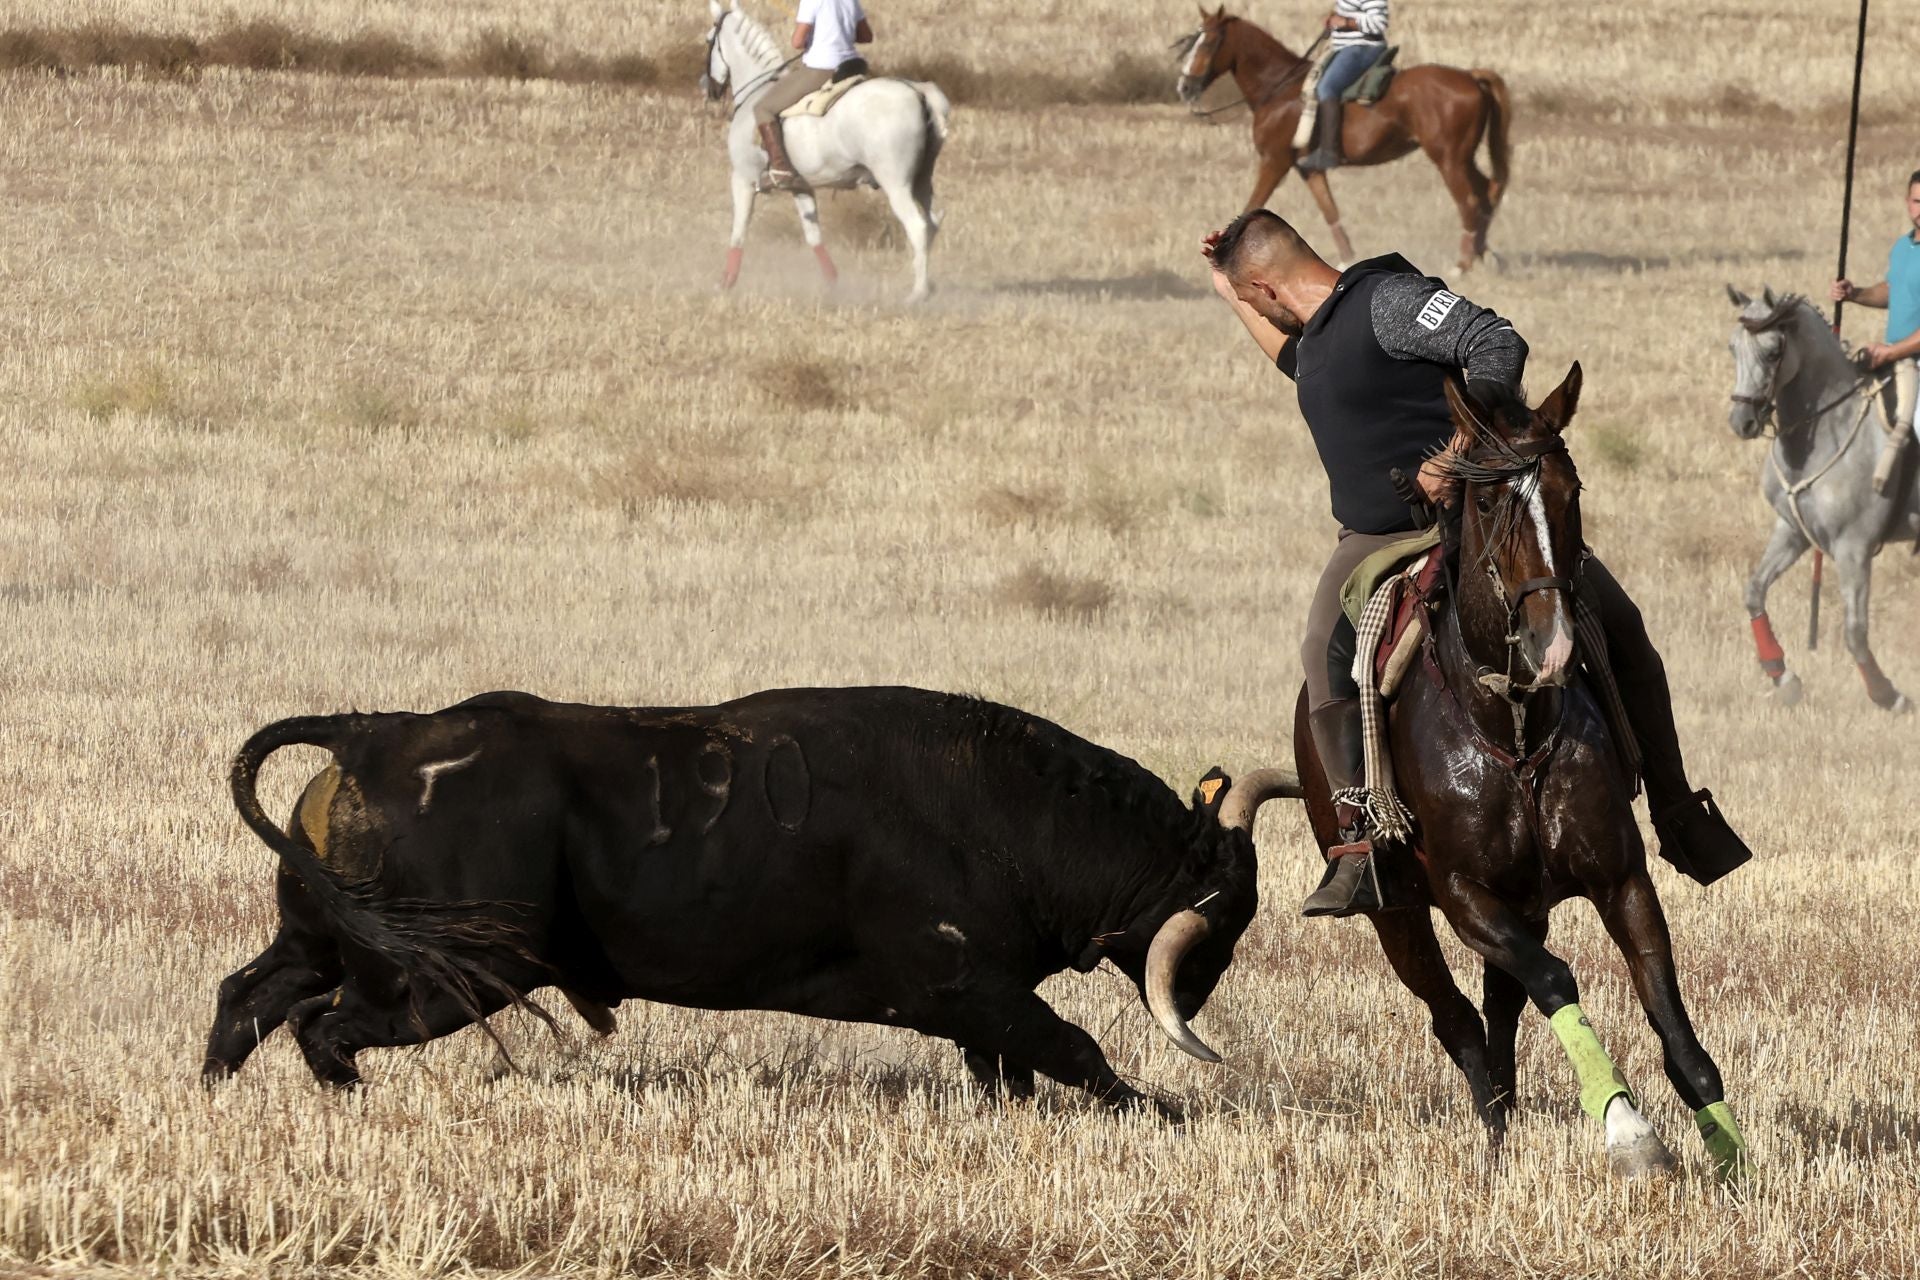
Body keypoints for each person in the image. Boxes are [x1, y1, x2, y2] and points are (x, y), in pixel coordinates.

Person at [1201, 209, 1754, 917]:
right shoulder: (1315, 345)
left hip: (1475, 519)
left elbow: (1496, 339)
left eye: (1250, 297)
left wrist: (1459, 456)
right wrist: (1225, 287)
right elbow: (1289, 353)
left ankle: (1677, 809)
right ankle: (1358, 843)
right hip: (1373, 540)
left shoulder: (1387, 302)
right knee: (1321, 650)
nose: (1255, 309)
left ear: (1268, 286)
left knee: (1620, 622)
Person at [1831, 169, 1920, 496]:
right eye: (1916, 202)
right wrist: (1855, 294)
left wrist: (1892, 351)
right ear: (1907, 202)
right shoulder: (1903, 246)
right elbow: (1893, 290)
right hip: (1893, 360)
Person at [752, 0, 873, 193]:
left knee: (762, 108)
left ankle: (780, 169)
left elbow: (797, 42)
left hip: (822, 68)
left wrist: (812, 37)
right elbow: (866, 36)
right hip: (853, 66)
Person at [1294, 0, 1389, 174]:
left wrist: (1345, 22)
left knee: (1326, 88)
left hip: (1362, 48)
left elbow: (1379, 23)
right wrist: (1334, 22)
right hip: (1344, 47)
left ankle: (1330, 151)